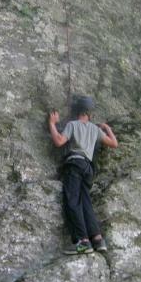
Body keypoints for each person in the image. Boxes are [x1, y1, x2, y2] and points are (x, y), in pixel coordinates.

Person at [48, 96, 118, 254]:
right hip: (88, 168)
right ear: (89, 113)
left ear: (76, 111)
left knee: (72, 201)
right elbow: (114, 144)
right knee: (85, 202)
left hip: (74, 165)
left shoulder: (72, 124)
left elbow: (59, 141)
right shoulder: (95, 129)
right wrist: (107, 129)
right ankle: (98, 240)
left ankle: (82, 241)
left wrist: (52, 124)